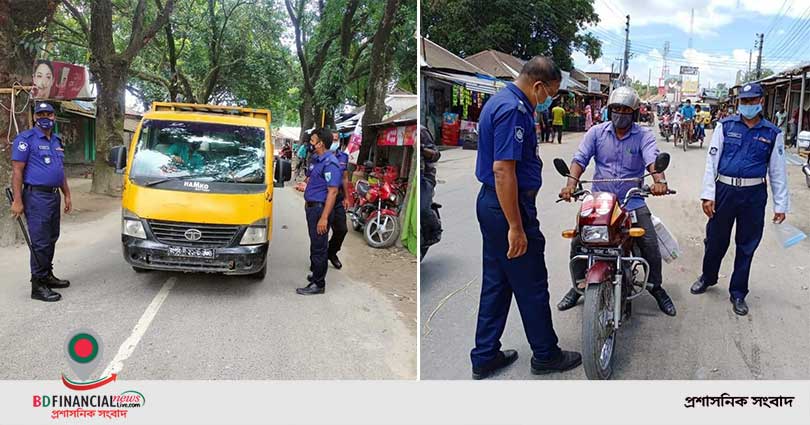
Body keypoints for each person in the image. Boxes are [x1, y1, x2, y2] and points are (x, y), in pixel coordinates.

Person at [472, 56, 581, 380]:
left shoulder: (499, 101)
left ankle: (484, 355)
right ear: (537, 85)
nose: (548, 101)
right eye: (549, 94)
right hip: (509, 209)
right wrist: (516, 227)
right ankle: (546, 354)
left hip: (493, 206)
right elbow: (503, 171)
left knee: (497, 282)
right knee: (532, 282)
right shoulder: (514, 111)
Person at [556, 86, 677, 317]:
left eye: (625, 109)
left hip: (632, 200)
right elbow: (580, 159)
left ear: (634, 112)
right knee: (579, 240)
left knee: (650, 243)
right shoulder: (596, 133)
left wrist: (659, 181)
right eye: (615, 109)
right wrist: (571, 184)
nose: (620, 113)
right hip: (600, 201)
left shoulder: (644, 136)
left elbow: (653, 160)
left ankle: (655, 286)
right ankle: (578, 285)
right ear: (609, 110)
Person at [691, 83, 789, 316]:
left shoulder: (772, 133)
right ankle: (708, 276)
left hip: (754, 195)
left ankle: (738, 292)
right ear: (739, 103)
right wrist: (708, 195)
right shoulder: (724, 127)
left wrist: (781, 204)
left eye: (752, 101)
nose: (747, 105)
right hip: (724, 190)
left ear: (761, 102)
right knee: (715, 239)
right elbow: (711, 163)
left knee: (746, 245)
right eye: (744, 101)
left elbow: (777, 171)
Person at [10, 102, 72, 302]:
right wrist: (17, 200)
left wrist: (67, 194)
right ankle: (37, 285)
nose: (45, 116)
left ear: (54, 116)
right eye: (41, 113)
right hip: (36, 197)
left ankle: (47, 275)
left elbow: (60, 171)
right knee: (40, 241)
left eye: (49, 113)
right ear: (35, 117)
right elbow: (17, 172)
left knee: (52, 237)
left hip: (53, 195)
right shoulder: (25, 140)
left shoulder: (56, 140)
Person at [298, 128, 342, 296]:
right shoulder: (317, 159)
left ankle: (318, 284)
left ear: (321, 143)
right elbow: (312, 180)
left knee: (319, 247)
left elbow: (333, 192)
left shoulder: (331, 163)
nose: (310, 143)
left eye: (313, 140)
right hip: (312, 207)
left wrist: (324, 217)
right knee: (315, 243)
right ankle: (316, 274)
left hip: (320, 209)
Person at [326, 134, 351, 269]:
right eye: (333, 139)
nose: (335, 142)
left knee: (342, 229)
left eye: (337, 139)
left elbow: (345, 178)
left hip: (338, 198)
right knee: (322, 231)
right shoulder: (320, 157)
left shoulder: (343, 157)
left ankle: (331, 252)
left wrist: (347, 197)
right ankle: (319, 260)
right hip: (324, 198)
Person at [420, 126, 442, 248]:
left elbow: (436, 155)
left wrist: (422, 149)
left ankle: (435, 231)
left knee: (422, 208)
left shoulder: (422, 131)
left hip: (425, 176)